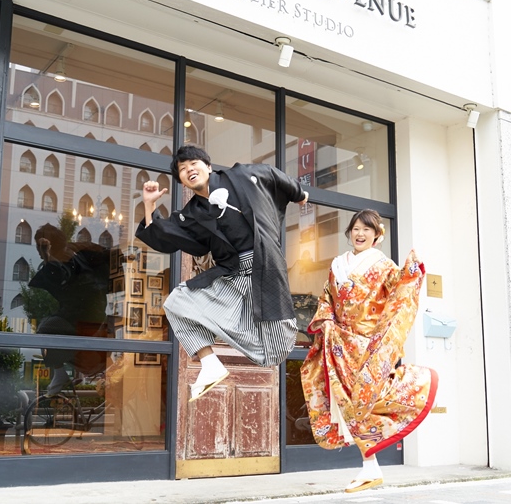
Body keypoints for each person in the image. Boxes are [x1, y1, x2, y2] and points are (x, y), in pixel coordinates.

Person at [135, 145, 309, 402]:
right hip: (232, 274)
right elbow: (167, 235)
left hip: (263, 265)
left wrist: (299, 193)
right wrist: (149, 206)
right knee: (176, 303)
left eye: (193, 163)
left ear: (208, 166)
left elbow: (272, 175)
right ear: (182, 180)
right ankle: (210, 364)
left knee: (275, 351)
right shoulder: (192, 212)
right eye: (182, 169)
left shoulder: (240, 176)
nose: (189, 170)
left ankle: (282, 328)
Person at [300, 209, 438, 493]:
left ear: (377, 235)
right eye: (356, 228)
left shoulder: (383, 265)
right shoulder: (338, 264)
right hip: (339, 342)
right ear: (350, 232)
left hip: (365, 344)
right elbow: (326, 298)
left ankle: (418, 386)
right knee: (348, 403)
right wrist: (325, 320)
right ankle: (370, 466)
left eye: (366, 229)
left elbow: (398, 290)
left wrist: (410, 272)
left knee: (364, 398)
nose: (360, 234)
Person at [29, 223, 109, 396]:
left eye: (39, 247)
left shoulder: (64, 260)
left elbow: (59, 274)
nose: (38, 251)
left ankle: (60, 373)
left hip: (83, 313)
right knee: (53, 330)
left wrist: (47, 257)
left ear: (48, 245)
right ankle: (67, 372)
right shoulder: (74, 251)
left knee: (45, 329)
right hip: (90, 311)